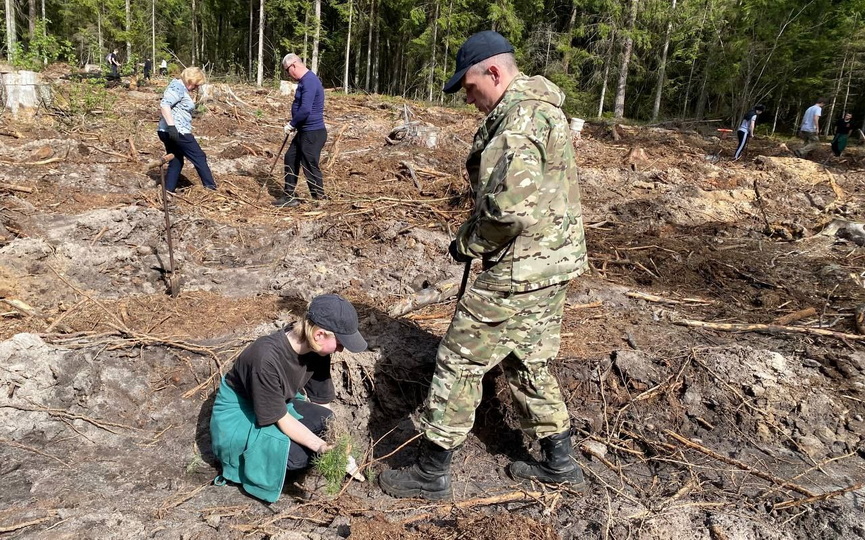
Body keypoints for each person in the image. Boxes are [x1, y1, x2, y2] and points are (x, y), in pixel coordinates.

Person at [378, 31, 589, 500]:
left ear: (493, 73)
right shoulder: (544, 108)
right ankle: (561, 460)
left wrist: (469, 242)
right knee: (526, 358)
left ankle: (431, 473)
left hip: (521, 268)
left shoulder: (517, 122)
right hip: (554, 263)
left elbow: (510, 210)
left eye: (470, 87)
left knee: (457, 360)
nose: (468, 99)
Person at [210, 294, 367, 503]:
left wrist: (335, 440)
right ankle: (246, 465)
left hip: (274, 404)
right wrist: (322, 447)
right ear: (319, 334)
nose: (341, 349)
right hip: (239, 415)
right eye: (340, 343)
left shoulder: (317, 350)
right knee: (298, 456)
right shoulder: (264, 358)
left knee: (324, 421)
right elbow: (281, 418)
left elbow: (322, 404)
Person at [272, 53, 328, 208]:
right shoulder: (305, 81)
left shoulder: (310, 81)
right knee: (291, 158)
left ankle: (320, 198)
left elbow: (305, 110)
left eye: (287, 70)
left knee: (309, 164)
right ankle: (289, 196)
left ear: (294, 65)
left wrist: (292, 124)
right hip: (304, 131)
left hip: (313, 132)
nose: (288, 75)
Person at [156, 66, 217, 192]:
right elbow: (164, 104)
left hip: (170, 131)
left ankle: (168, 191)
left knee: (176, 160)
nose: (196, 88)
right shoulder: (177, 87)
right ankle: (211, 188)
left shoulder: (180, 88)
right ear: (190, 80)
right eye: (196, 84)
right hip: (177, 131)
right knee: (199, 156)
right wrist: (172, 127)